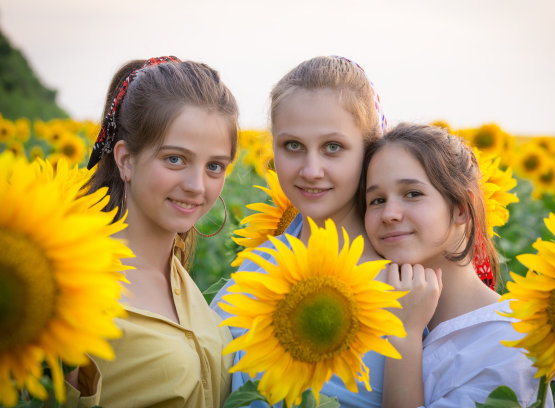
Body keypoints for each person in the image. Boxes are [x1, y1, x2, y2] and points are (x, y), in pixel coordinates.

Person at [210, 55, 389, 407]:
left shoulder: (409, 278)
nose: (310, 170)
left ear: (369, 151)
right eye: (293, 146)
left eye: (332, 147)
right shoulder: (257, 268)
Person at [65, 56, 239, 408]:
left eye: (214, 166)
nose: (196, 185)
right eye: (175, 159)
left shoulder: (179, 277)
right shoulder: (76, 284)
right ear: (126, 160)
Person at [360, 123, 553, 408]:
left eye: (412, 193)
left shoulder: (508, 344)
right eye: (376, 200)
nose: (389, 213)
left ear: (462, 207)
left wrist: (405, 334)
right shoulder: (376, 319)